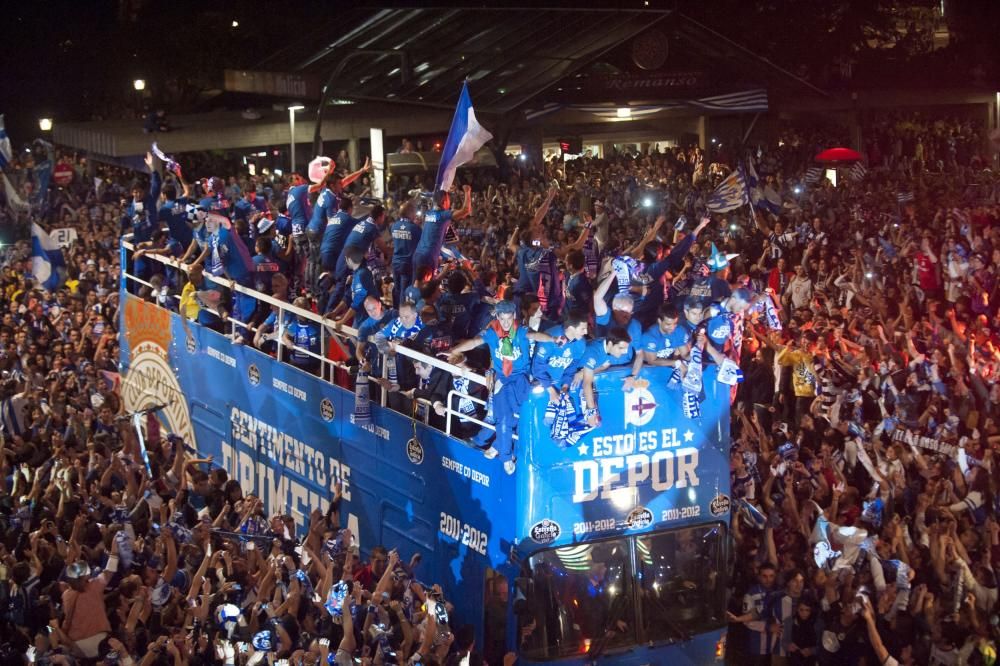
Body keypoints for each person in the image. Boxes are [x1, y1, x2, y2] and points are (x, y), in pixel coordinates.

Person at [448, 300, 558, 474]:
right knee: (503, 418)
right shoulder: (492, 333)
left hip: (520, 379)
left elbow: (536, 336)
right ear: (497, 317)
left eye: (509, 319)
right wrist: (455, 350)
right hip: (502, 380)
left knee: (520, 416)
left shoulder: (521, 331)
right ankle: (505, 457)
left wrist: (552, 339)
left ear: (514, 316)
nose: (506, 323)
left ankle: (499, 446)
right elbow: (474, 342)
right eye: (503, 319)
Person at [413, 185, 473, 279]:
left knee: (416, 284)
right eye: (448, 199)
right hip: (429, 255)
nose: (450, 202)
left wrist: (446, 190)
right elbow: (466, 210)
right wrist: (467, 192)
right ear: (443, 201)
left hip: (417, 254)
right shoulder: (443, 215)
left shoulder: (429, 213)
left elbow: (434, 197)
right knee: (428, 287)